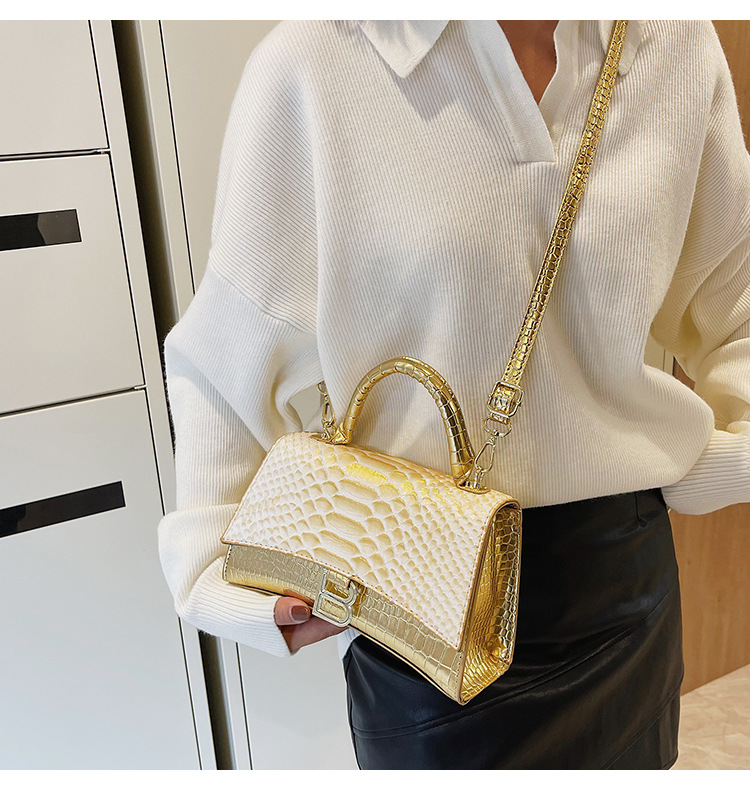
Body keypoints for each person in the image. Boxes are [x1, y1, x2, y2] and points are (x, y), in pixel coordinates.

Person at [157, 20, 750, 769]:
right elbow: (228, 349)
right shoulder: (317, 60)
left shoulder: (671, 42)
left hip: (623, 594)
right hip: (422, 603)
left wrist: (715, 460)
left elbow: (736, 290)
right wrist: (213, 562)